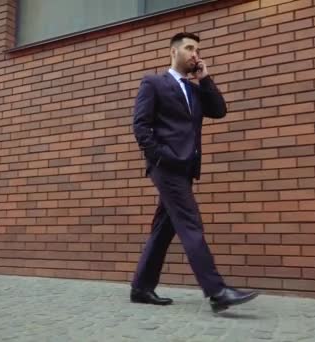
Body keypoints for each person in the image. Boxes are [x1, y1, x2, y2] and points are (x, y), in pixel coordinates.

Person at [130, 32, 258, 313]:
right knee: (191, 224)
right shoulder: (154, 82)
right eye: (189, 48)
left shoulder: (194, 89)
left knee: (163, 229)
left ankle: (141, 288)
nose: (194, 54)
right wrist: (161, 156)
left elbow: (219, 110)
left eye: (197, 49)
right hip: (167, 167)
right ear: (173, 52)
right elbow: (141, 126)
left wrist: (205, 79)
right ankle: (217, 291)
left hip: (186, 168)